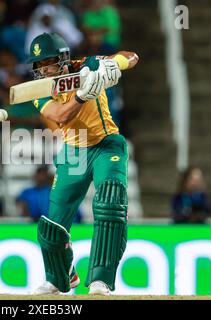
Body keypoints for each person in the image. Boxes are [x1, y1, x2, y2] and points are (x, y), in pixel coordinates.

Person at [26, 32, 138, 295]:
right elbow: (59, 116)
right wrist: (81, 96)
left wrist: (112, 65)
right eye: (39, 65)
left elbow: (132, 56)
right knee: (53, 225)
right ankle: (59, 276)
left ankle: (101, 279)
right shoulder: (39, 90)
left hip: (106, 144)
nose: (44, 70)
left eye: (49, 63)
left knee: (110, 201)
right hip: (73, 151)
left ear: (64, 59)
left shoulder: (85, 66)